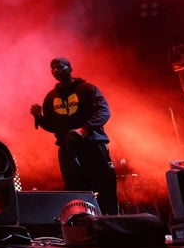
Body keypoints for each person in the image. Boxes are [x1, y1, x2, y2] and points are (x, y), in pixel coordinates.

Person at [30, 57, 119, 215]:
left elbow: (104, 111)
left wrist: (85, 130)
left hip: (92, 146)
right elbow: (53, 126)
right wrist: (39, 118)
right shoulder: (50, 98)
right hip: (68, 150)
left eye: (60, 66)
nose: (56, 70)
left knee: (104, 187)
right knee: (75, 191)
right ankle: (82, 228)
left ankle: (111, 223)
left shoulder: (87, 89)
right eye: (53, 68)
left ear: (70, 68)